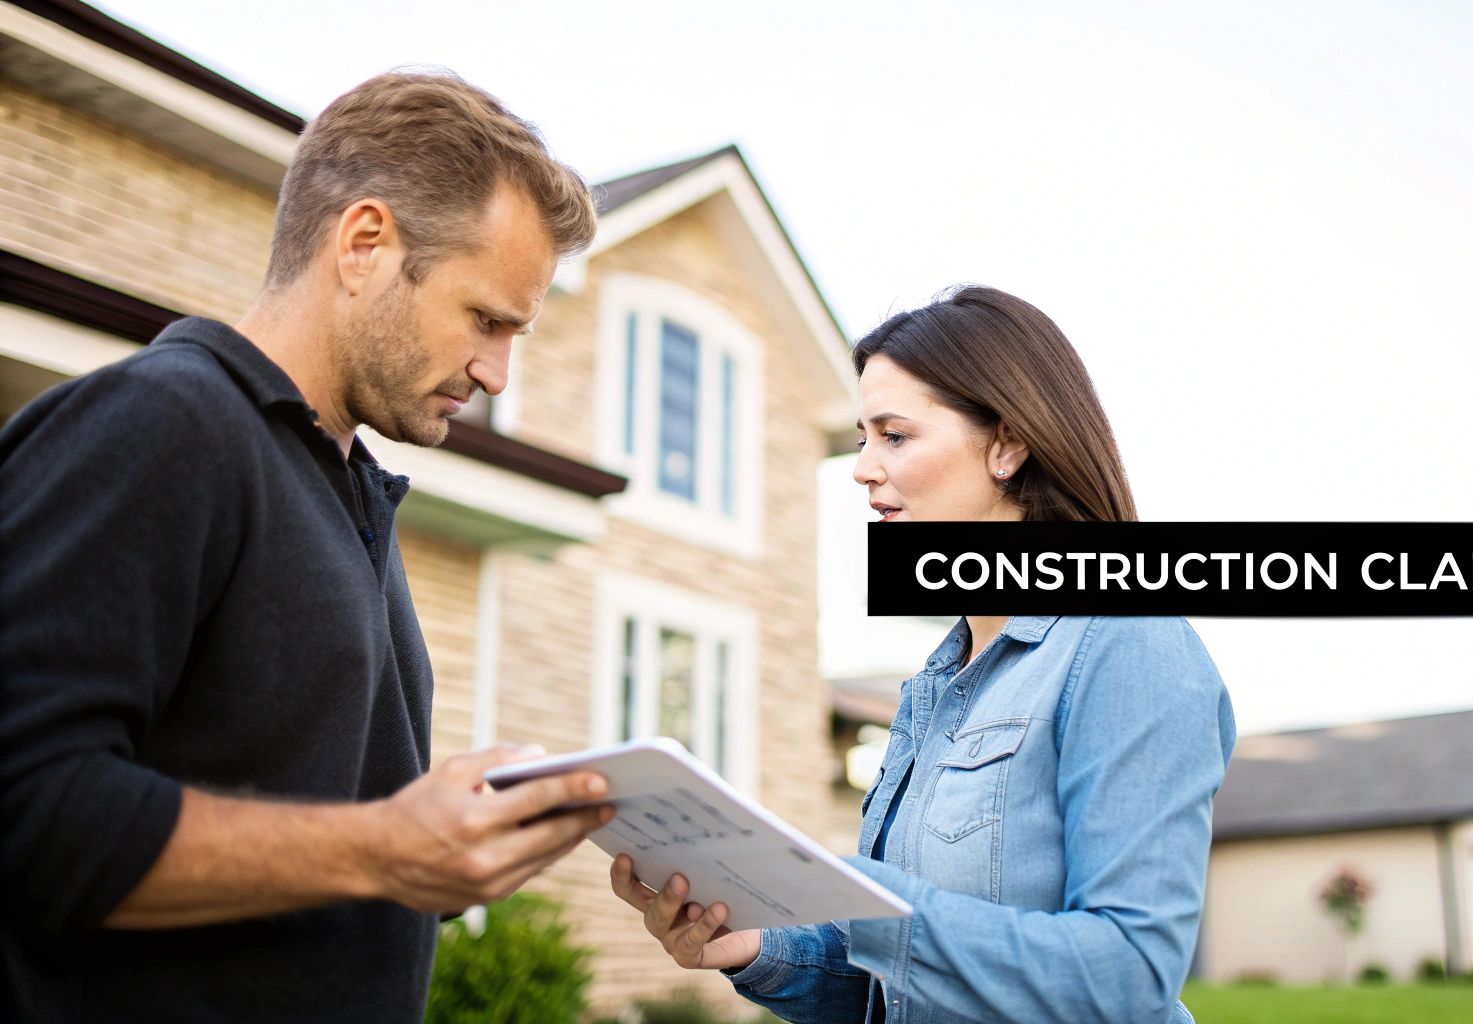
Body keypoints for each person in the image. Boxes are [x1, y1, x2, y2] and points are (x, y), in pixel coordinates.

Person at [0, 71, 616, 1023]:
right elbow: (25, 805)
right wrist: (382, 847)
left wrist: (445, 849)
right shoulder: (162, 425)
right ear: (364, 244)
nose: (496, 370)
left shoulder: (349, 490)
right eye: (486, 319)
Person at [607, 286, 1239, 1022]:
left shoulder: (1128, 643)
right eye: (861, 437)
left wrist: (861, 897)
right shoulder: (937, 684)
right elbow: (895, 990)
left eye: (895, 436)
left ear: (1006, 444)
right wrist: (754, 945)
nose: (862, 468)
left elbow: (1127, 974)